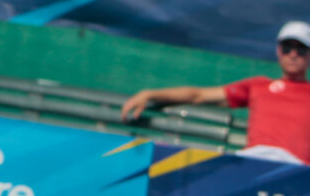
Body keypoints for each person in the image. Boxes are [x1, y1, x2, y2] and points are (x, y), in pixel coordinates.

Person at [120, 22, 310, 165]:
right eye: (287, 48)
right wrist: (150, 94)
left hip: (296, 172)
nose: (293, 54)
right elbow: (199, 95)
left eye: (300, 50)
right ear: (278, 50)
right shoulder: (259, 85)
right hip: (253, 162)